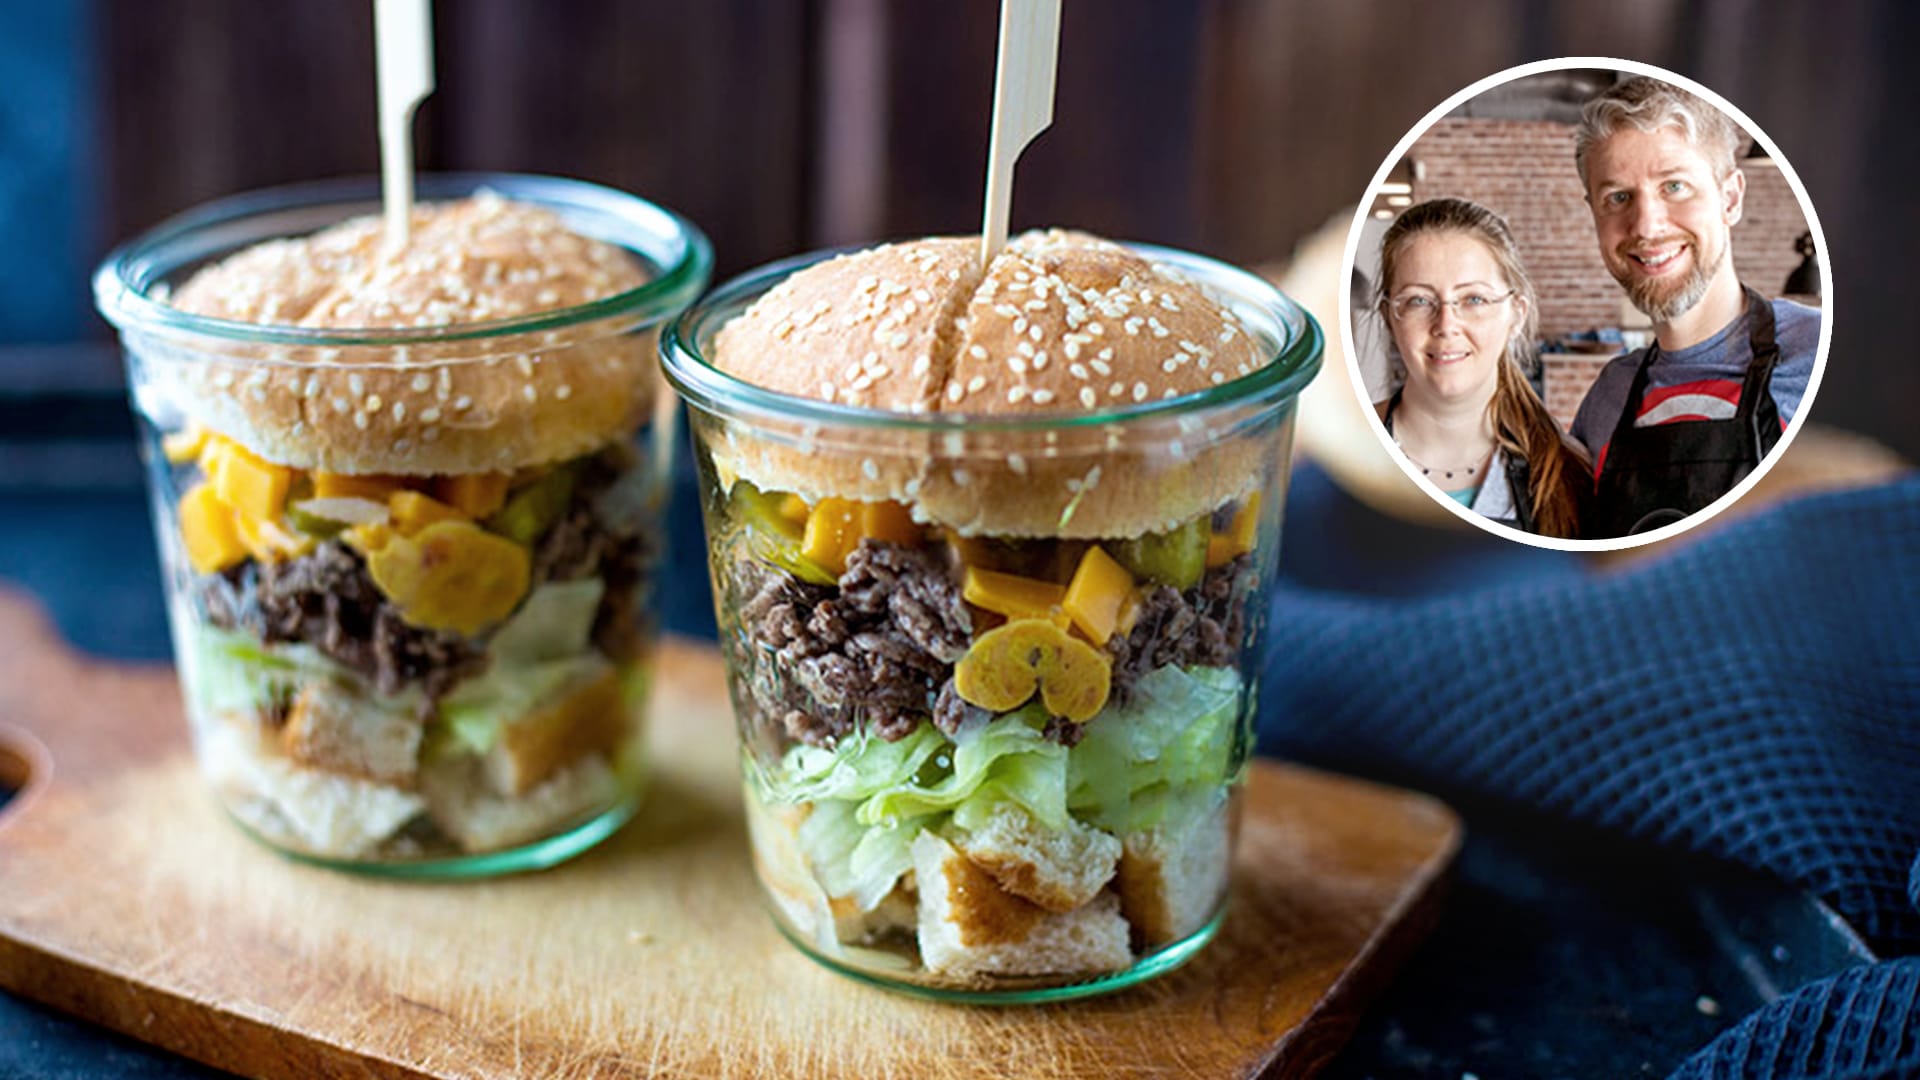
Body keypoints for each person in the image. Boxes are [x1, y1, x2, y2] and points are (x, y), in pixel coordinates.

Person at [1569, 76, 1821, 537]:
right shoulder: (1609, 394)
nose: (1646, 226)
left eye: (1675, 187)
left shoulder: (1818, 351)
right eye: (1618, 198)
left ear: (1730, 198)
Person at [1374, 198, 1591, 538]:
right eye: (1419, 300)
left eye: (1474, 299)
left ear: (1516, 314)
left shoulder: (1570, 474)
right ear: (1389, 316)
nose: (1446, 325)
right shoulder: (1334, 455)